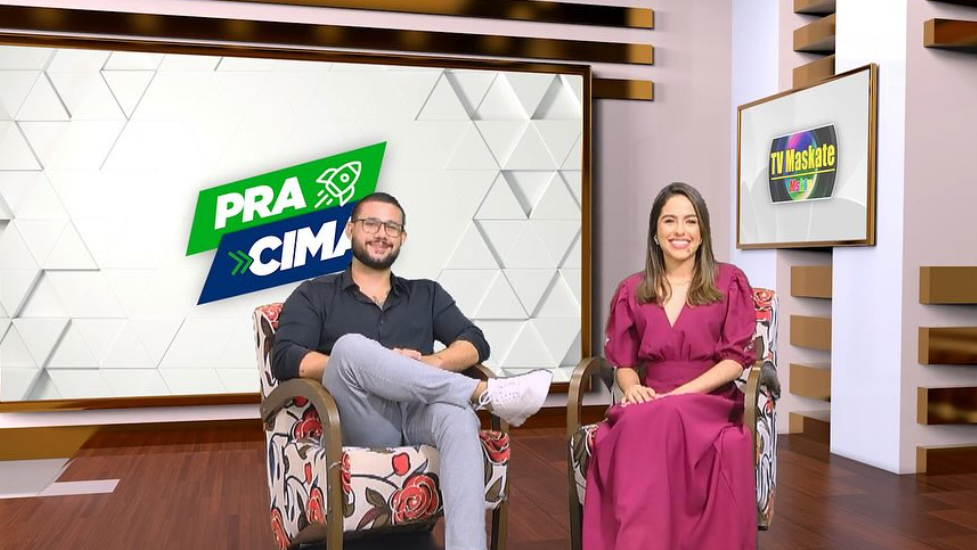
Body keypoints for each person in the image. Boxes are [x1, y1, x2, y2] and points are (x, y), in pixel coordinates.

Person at [271, 191, 553, 550]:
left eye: (392, 227)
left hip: (421, 413)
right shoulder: (315, 293)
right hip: (360, 419)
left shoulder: (426, 294)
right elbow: (285, 356)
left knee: (459, 418)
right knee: (349, 347)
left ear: (402, 237)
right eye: (371, 223)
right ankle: (482, 393)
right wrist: (358, 364)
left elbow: (474, 342)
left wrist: (430, 363)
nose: (381, 233)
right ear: (350, 230)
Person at [583, 182, 757, 550]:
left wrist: (677, 396)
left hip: (710, 400)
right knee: (635, 420)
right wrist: (633, 387)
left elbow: (734, 362)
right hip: (652, 399)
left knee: (660, 415)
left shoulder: (730, 281)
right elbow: (624, 363)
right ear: (655, 233)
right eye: (670, 221)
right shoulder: (632, 290)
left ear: (703, 232)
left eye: (691, 221)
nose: (681, 231)